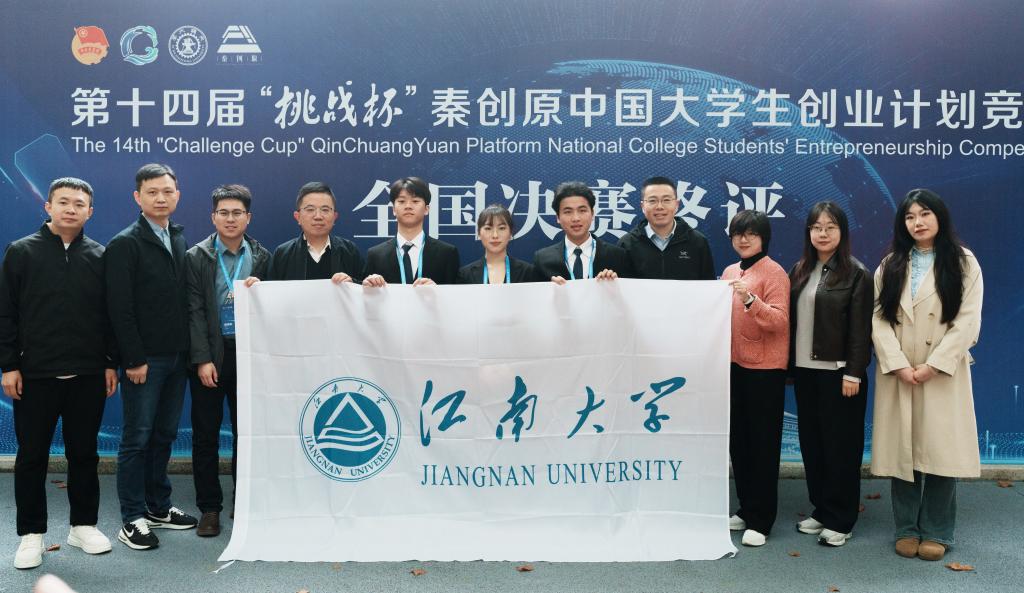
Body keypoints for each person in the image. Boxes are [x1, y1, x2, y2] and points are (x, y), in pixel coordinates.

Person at [1, 178, 118, 569]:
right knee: (31, 457)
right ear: (47, 206)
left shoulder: (100, 255)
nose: (71, 208)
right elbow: (6, 313)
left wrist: (110, 362)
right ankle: (30, 535)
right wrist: (9, 365)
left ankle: (83, 526)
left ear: (90, 212)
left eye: (79, 203)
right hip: (34, 375)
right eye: (64, 202)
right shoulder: (21, 251)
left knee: (84, 453)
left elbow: (109, 316)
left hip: (88, 374)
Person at [871, 189, 983, 562]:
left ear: (939, 216)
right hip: (900, 370)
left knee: (939, 449)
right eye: (909, 216)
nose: (917, 222)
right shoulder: (890, 265)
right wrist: (898, 363)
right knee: (903, 449)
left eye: (924, 214)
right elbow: (878, 319)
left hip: (942, 371)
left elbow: (968, 320)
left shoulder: (963, 262)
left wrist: (934, 364)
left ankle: (937, 530)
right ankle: (906, 528)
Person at [106, 163, 198, 550]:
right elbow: (119, 308)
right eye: (152, 192)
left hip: (177, 358)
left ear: (177, 195)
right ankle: (132, 517)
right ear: (137, 197)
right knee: (137, 438)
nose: (161, 198)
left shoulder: (176, 236)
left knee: (164, 435)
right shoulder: (125, 243)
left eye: (167, 191)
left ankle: (158, 506)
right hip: (145, 361)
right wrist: (133, 359)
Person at [185, 185, 270, 537]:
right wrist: (203, 359)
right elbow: (193, 310)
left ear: (248, 217)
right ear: (213, 217)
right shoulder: (196, 256)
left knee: (245, 433)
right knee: (205, 434)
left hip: (249, 355)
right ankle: (209, 508)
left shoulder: (263, 257)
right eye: (224, 213)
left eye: (237, 213)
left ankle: (242, 500)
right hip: (210, 356)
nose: (230, 219)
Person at [788, 201, 872, 547]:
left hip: (840, 375)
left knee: (841, 448)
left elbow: (861, 329)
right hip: (805, 374)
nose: (823, 233)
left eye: (830, 227)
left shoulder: (856, 273)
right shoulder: (800, 270)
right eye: (816, 227)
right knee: (813, 445)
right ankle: (822, 509)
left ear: (842, 232)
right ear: (809, 232)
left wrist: (854, 372)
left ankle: (841, 518)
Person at [720, 210, 790, 547]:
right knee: (740, 443)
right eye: (738, 234)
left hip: (765, 370)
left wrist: (750, 299)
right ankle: (746, 508)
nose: (743, 239)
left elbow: (779, 321)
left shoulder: (774, 273)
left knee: (762, 446)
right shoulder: (729, 272)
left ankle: (762, 520)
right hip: (733, 367)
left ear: (764, 238)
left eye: (750, 233)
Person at [362, 177, 459, 287]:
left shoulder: (447, 253)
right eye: (401, 201)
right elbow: (364, 294)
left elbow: (456, 295)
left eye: (415, 201)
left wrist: (438, 291)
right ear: (393, 209)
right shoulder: (376, 255)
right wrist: (368, 286)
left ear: (426, 209)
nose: (408, 206)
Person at [532, 181, 633, 283]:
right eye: (568, 212)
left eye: (582, 210)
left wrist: (615, 285)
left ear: (592, 214)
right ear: (558, 217)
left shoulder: (617, 256)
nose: (576, 218)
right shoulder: (543, 259)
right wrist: (550, 288)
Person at [617, 176, 715, 280]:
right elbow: (619, 286)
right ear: (643, 206)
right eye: (652, 200)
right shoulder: (627, 244)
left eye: (666, 200)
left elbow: (708, 285)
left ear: (676, 204)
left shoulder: (698, 242)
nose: (660, 206)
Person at [266, 182, 363, 283]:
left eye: (325, 210)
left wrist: (352, 282)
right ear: (297, 217)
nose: (318, 216)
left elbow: (364, 287)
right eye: (310, 209)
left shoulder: (350, 251)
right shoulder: (282, 254)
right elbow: (271, 290)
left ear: (334, 217)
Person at [457, 204, 534, 284]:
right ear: (479, 233)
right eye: (488, 228)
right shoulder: (465, 275)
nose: (495, 235)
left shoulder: (527, 272)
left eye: (501, 228)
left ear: (510, 233)